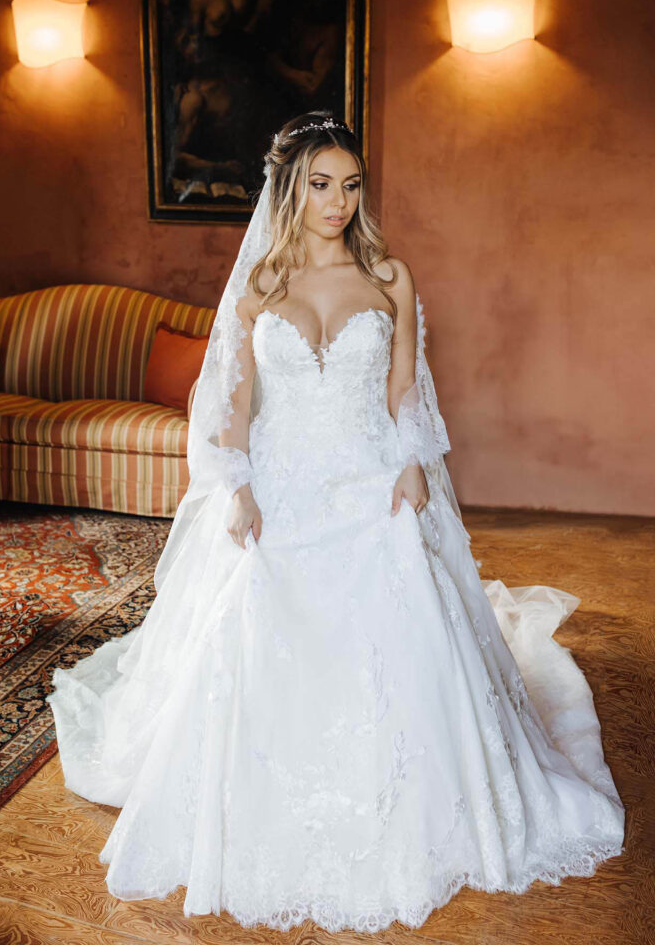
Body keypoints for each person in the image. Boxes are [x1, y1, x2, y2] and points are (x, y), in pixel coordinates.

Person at [46, 111, 625, 934]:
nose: (338, 202)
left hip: (368, 487)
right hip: (283, 491)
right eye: (321, 184)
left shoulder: (389, 277)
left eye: (350, 185)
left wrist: (414, 461)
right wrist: (239, 486)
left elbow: (402, 390)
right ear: (289, 189)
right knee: (255, 622)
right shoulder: (259, 290)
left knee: (402, 629)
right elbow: (236, 405)